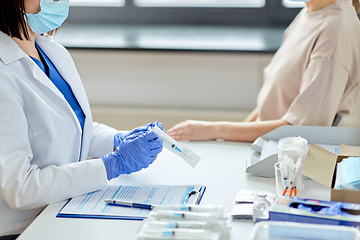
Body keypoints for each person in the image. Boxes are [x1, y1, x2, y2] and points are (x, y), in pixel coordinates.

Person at [0, 0, 164, 238]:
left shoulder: (51, 51)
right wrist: (111, 165)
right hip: (22, 229)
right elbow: (20, 188)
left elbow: (73, 128)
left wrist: (118, 140)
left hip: (63, 208)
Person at [167, 0, 360, 143]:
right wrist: (227, 140)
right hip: (263, 144)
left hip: (283, 160)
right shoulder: (311, 11)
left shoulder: (334, 32)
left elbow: (304, 130)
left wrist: (215, 129)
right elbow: (275, 98)